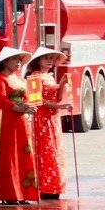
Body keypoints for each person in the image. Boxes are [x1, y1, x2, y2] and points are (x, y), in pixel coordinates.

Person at [0, 49, 39, 205]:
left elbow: (26, 97)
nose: (18, 63)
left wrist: (28, 107)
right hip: (7, 119)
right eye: (15, 60)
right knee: (8, 154)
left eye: (20, 60)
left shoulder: (17, 78)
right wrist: (22, 108)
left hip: (21, 120)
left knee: (23, 152)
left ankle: (23, 192)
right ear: (5, 62)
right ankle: (8, 193)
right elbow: (2, 100)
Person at [26, 47, 68, 199]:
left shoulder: (49, 77)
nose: (50, 61)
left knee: (54, 149)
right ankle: (44, 186)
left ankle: (54, 185)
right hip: (41, 119)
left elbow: (57, 98)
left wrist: (62, 84)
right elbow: (38, 102)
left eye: (52, 58)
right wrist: (59, 107)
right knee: (44, 150)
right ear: (38, 61)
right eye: (46, 58)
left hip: (53, 118)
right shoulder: (34, 77)